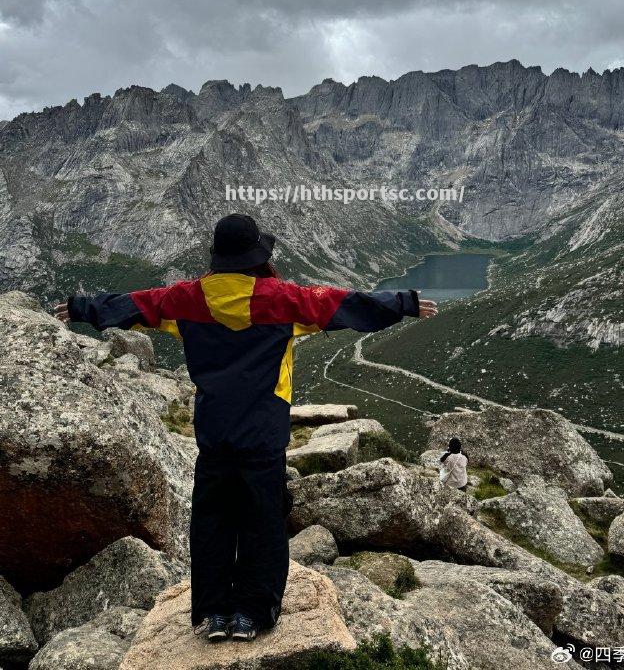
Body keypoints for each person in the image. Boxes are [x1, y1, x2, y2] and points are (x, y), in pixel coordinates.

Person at [54, 213, 438, 643]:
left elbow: (136, 305)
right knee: (263, 520)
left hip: (214, 431)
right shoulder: (283, 299)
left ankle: (211, 614)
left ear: (217, 257)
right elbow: (342, 304)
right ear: (259, 255)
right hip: (263, 432)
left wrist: (84, 307)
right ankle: (253, 614)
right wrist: (403, 302)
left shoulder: (187, 299)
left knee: (213, 521)